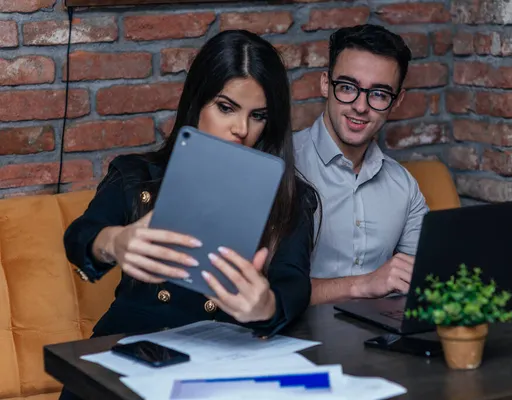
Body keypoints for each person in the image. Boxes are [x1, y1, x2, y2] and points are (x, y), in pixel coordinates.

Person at [59, 29, 319, 400]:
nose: (241, 129)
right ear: (197, 102)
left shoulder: (289, 197)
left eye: (258, 115)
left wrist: (268, 305)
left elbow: (294, 281)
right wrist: (114, 241)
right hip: (127, 358)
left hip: (219, 364)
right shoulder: (137, 175)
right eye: (226, 107)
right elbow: (80, 235)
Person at [293, 24, 429, 305]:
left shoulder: (404, 187)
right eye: (347, 87)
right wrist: (363, 285)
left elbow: (423, 283)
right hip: (297, 342)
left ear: (397, 101)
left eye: (379, 94)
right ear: (324, 84)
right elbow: (264, 292)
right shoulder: (283, 165)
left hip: (380, 344)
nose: (360, 106)